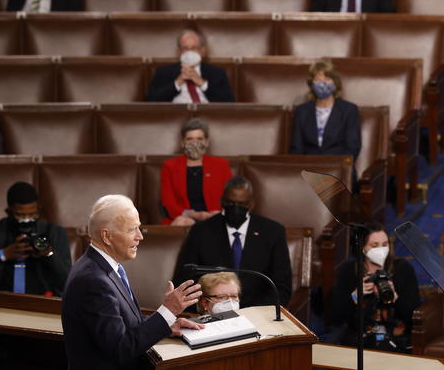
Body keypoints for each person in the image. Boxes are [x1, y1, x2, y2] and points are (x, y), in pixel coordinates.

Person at [62, 194, 204, 369]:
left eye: (139, 229)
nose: (140, 237)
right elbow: (120, 348)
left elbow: (123, 322)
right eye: (131, 230)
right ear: (107, 236)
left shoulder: (99, 265)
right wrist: (168, 311)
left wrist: (166, 324)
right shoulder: (94, 280)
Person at [174, 176, 292, 308]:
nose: (236, 208)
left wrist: (254, 314)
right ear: (222, 202)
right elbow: (185, 280)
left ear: (251, 204)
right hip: (211, 313)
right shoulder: (201, 231)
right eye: (230, 203)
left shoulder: (273, 232)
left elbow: (281, 287)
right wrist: (207, 308)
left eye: (242, 204)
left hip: (258, 314)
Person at [331, 221, 420, 353]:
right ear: (363, 248)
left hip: (396, 337)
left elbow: (413, 315)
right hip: (359, 337)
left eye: (385, 245)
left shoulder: (402, 269)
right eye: (375, 245)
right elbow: (336, 318)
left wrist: (395, 298)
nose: (381, 249)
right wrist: (355, 297)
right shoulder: (349, 271)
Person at [160, 118, 233, 226]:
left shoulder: (221, 165)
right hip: (184, 219)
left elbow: (230, 197)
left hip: (215, 218)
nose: (195, 143)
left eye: (199, 138)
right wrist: (193, 215)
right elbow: (168, 202)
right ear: (182, 142)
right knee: (182, 223)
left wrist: (218, 214)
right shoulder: (169, 167)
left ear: (207, 142)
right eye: (190, 139)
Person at [290, 60, 361, 164]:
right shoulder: (302, 111)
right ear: (311, 83)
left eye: (327, 79)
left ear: (335, 83)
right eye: (318, 80)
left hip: (339, 170)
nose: (322, 84)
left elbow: (352, 149)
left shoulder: (349, 110)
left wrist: (334, 169)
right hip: (308, 171)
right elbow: (296, 149)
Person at [145, 29, 235, 103]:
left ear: (202, 51)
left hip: (206, 117)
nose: (190, 52)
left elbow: (229, 103)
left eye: (194, 48)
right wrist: (177, 83)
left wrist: (202, 83)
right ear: (179, 51)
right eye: (185, 48)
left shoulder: (217, 73)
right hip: (175, 117)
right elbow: (150, 102)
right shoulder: (163, 72)